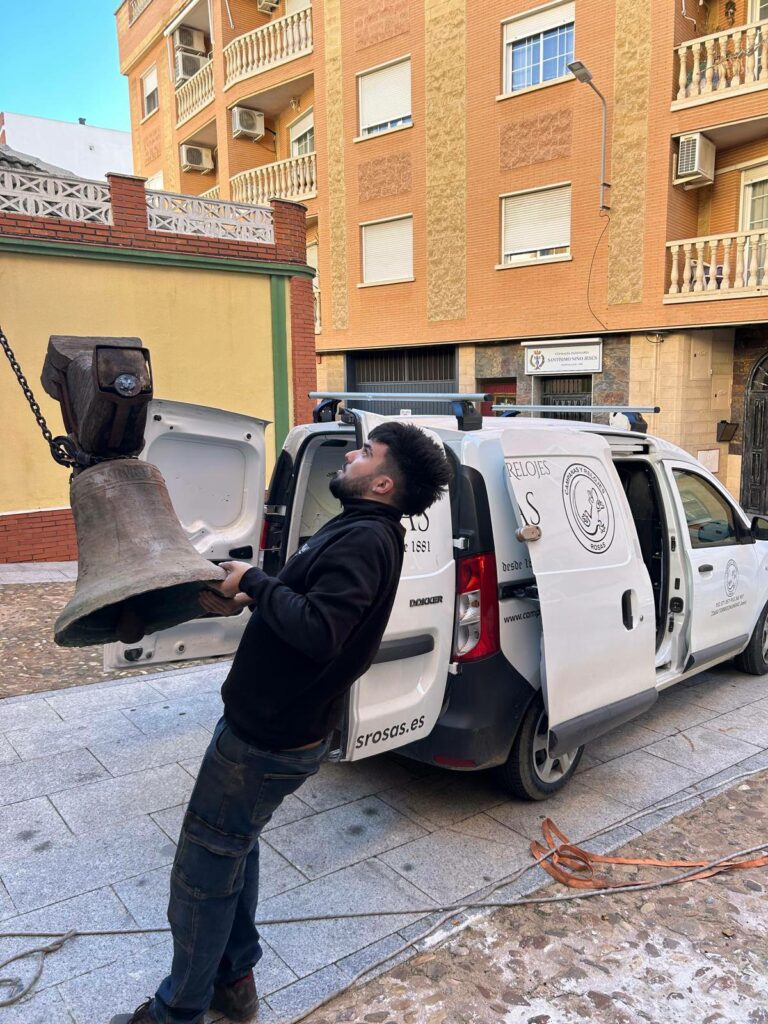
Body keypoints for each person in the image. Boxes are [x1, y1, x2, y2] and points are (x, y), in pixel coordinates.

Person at [111, 421, 452, 1024]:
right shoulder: (362, 529)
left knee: (202, 871)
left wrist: (257, 581)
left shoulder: (366, 541)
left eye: (365, 452)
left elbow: (322, 632)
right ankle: (233, 980)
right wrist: (251, 594)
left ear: (382, 482)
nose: (351, 454)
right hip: (269, 728)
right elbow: (311, 607)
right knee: (232, 849)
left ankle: (180, 1009)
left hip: (263, 743)